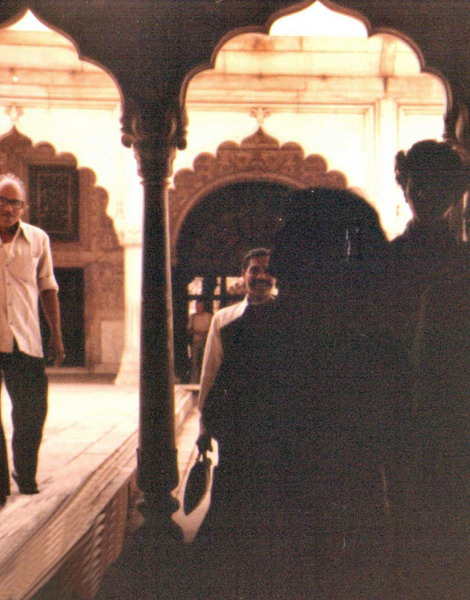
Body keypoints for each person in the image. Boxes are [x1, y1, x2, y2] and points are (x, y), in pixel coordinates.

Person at [191, 189, 408, 600]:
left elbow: (224, 424)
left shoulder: (251, 337)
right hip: (348, 538)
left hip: (269, 538)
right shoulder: (378, 348)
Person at [0, 173, 64, 507]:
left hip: (25, 339)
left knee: (31, 412)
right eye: (2, 201)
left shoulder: (38, 239)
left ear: (23, 207)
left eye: (15, 203)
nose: (8, 208)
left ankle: (25, 474)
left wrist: (56, 334)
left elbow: (48, 287)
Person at [390, 139, 469, 347]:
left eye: (438, 185)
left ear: (455, 194)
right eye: (419, 184)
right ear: (405, 190)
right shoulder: (386, 258)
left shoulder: (465, 260)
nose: (426, 194)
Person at [197, 247, 275, 429]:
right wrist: (204, 427)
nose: (262, 276)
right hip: (236, 420)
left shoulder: (290, 317)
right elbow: (211, 372)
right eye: (255, 270)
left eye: (268, 271)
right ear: (243, 274)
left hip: (277, 421)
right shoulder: (224, 319)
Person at [186, 300, 212, 383]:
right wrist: (196, 332)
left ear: (203, 307)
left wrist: (206, 333)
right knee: (195, 362)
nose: (198, 309)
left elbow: (213, 329)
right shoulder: (193, 317)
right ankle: (194, 381)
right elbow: (189, 329)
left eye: (200, 307)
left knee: (206, 361)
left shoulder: (209, 316)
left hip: (206, 342)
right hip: (196, 341)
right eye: (196, 307)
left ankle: (206, 380)